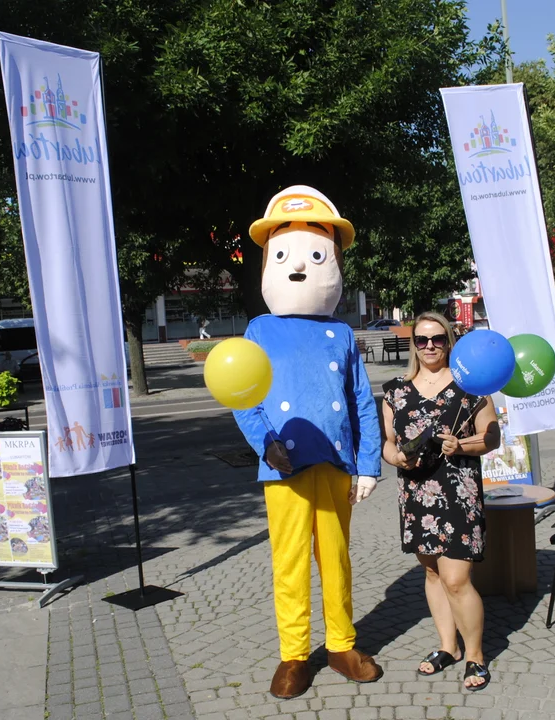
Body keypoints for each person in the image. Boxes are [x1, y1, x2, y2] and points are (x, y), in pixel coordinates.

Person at [233, 185, 383, 699]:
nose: (299, 268)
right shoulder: (259, 329)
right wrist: (264, 442)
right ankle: (294, 654)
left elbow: (362, 401)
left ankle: (342, 643)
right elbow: (242, 394)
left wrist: (367, 466)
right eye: (286, 257)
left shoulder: (341, 334)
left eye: (315, 257)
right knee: (291, 560)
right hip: (284, 465)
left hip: (336, 463)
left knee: (336, 557)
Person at [381, 311, 500, 691]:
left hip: (458, 492)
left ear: (450, 342)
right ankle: (448, 647)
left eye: (438, 339)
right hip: (416, 494)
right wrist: (395, 457)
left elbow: (492, 436)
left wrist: (461, 444)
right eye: (422, 340)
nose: (430, 346)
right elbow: (387, 441)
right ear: (413, 344)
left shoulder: (472, 385)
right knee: (432, 573)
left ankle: (475, 655)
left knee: (456, 578)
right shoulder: (395, 391)